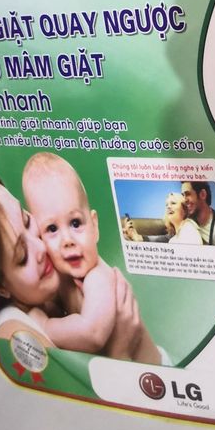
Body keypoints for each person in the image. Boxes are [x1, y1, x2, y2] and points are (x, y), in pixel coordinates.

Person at [0, 166, 141, 358]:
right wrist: (120, 351)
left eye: (27, 220)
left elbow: (92, 332)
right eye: (23, 256)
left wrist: (46, 324)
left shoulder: (75, 272)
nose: (41, 247)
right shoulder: (14, 333)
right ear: (0, 286)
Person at [22, 153, 161, 363]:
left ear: (94, 226)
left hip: (154, 368)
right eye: (52, 229)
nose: (67, 240)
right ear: (40, 238)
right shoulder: (62, 276)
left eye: (75, 223)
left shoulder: (98, 277)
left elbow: (92, 334)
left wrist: (43, 325)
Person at [181, 180, 215, 245]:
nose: (184, 200)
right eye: (183, 195)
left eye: (188, 194)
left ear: (202, 194)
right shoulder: (187, 224)